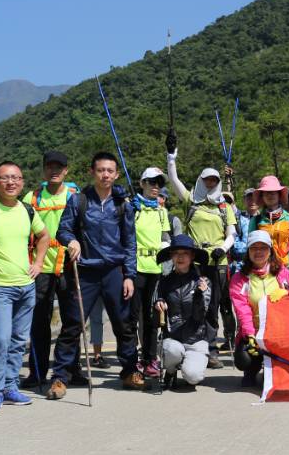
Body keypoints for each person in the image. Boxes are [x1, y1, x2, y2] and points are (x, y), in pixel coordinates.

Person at [47, 151, 141, 400]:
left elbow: (130, 242)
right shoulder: (79, 200)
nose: (106, 174)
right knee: (73, 324)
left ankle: (130, 370)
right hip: (85, 271)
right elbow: (62, 229)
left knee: (124, 324)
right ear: (92, 172)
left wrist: (129, 275)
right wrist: (72, 240)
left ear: (116, 174)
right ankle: (60, 377)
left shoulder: (123, 205)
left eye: (110, 170)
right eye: (101, 170)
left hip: (114, 271)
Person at [0, 162, 50, 412]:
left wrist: (38, 262)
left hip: (26, 286)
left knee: (17, 340)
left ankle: (10, 387)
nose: (11, 182)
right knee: (1, 339)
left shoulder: (28, 210)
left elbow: (44, 236)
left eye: (15, 178)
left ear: (22, 182)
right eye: (5, 178)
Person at [166, 131, 237, 368]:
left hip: (217, 262)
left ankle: (212, 349)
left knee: (213, 306)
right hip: (195, 261)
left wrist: (223, 249)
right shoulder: (191, 201)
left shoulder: (224, 206)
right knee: (193, 303)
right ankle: (192, 344)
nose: (210, 184)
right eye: (206, 180)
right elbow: (173, 180)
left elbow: (232, 234)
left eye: (214, 181)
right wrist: (171, 156)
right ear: (200, 181)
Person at [21, 150, 83, 389]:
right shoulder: (32, 197)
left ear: (66, 170)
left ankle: (71, 370)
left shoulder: (75, 196)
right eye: (50, 166)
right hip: (41, 267)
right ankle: (37, 372)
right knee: (39, 323)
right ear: (44, 169)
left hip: (69, 266)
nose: (54, 170)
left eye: (59, 167)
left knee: (73, 321)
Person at [229, 230, 289, 387]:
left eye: (263, 248)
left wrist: (286, 292)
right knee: (244, 360)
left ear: (270, 250)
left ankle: (276, 368)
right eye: (254, 248)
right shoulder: (239, 278)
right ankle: (252, 369)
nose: (258, 252)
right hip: (255, 331)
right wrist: (250, 335)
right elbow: (242, 310)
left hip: (280, 332)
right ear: (248, 252)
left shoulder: (282, 272)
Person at [122, 167, 172, 378]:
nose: (156, 186)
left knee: (152, 318)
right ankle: (132, 362)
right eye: (151, 182)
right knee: (132, 318)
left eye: (159, 182)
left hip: (155, 270)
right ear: (142, 183)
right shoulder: (132, 208)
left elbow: (166, 239)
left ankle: (150, 359)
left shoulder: (162, 212)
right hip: (136, 269)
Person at [153, 235, 212, 387]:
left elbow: (200, 317)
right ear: (171, 256)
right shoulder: (163, 281)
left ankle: (188, 366)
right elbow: (154, 318)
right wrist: (158, 304)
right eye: (176, 253)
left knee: (193, 376)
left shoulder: (203, 282)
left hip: (196, 340)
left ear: (192, 256)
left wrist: (199, 295)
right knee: (173, 350)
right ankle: (171, 370)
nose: (180, 257)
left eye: (185, 253)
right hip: (172, 337)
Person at [248, 175, 289, 283]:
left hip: (287, 268)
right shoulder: (256, 221)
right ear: (262, 196)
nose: (270, 195)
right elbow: (250, 247)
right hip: (262, 269)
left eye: (273, 192)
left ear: (279, 195)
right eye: (266, 192)